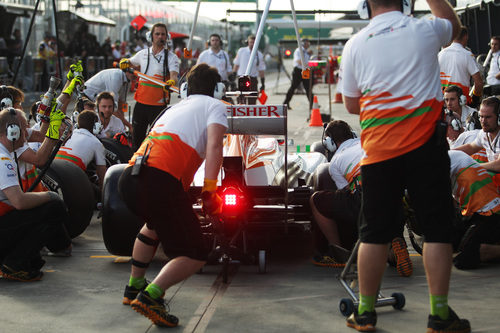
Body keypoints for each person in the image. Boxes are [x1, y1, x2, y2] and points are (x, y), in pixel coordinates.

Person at [338, 0, 468, 331]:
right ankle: (439, 314)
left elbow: (352, 104)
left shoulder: (355, 44)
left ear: (366, 6)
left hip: (379, 150)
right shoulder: (426, 29)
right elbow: (452, 23)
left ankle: (365, 312)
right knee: (437, 229)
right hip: (426, 147)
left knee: (374, 234)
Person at [118, 63, 227, 327]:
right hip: (159, 181)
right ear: (218, 89)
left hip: (130, 177)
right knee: (197, 252)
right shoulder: (216, 106)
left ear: (186, 88)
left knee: (154, 224)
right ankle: (152, 296)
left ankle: (134, 286)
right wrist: (210, 189)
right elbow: (215, 146)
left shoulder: (175, 107)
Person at [310, 120, 412, 277]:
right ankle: (395, 248)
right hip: (395, 196)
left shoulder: (335, 161)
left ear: (329, 143)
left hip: (366, 195)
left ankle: (338, 251)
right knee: (388, 239)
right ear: (352, 134)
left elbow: (347, 192)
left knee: (317, 200)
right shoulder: (369, 141)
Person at [0, 108, 71, 282]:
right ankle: (14, 264)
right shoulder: (3, 160)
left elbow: (41, 137)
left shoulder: (7, 150)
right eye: (25, 129)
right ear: (12, 132)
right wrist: (50, 196)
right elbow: (19, 202)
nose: (27, 135)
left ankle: (19, 257)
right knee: (54, 206)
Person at [119, 23, 180, 150]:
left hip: (159, 106)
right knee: (137, 138)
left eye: (163, 34)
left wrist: (172, 82)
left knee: (156, 140)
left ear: (166, 37)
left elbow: (174, 75)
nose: (160, 37)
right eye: (157, 34)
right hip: (141, 103)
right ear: (151, 37)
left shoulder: (171, 57)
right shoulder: (142, 54)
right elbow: (130, 62)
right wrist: (125, 62)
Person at [447, 150, 500, 270]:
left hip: (490, 213)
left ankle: (491, 248)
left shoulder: (447, 158)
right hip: (472, 214)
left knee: (464, 261)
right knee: (449, 243)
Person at [55, 110, 106, 190]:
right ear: (96, 126)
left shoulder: (72, 134)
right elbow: (101, 172)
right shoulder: (97, 143)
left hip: (54, 168)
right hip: (71, 176)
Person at [438, 26, 483, 106]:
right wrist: (475, 99)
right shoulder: (467, 54)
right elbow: (478, 82)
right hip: (462, 103)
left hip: (444, 101)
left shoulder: (440, 54)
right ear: (466, 37)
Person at [454, 97, 500, 171]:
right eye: (481, 116)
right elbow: (471, 147)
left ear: (499, 118)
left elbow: (498, 165)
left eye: (488, 117)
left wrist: (472, 166)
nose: (483, 121)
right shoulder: (484, 133)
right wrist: (448, 153)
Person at [233, 34, 266, 105]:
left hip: (252, 79)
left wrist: (263, 83)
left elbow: (261, 69)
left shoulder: (259, 54)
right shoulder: (241, 51)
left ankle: (251, 115)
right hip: (241, 78)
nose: (252, 44)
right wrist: (233, 77)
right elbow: (236, 64)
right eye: (251, 42)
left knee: (252, 100)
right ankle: (241, 114)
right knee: (241, 100)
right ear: (247, 42)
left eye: (254, 42)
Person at [283, 39, 313, 110]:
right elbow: (299, 61)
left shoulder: (306, 52)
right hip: (298, 70)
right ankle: (285, 103)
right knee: (293, 87)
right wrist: (309, 64)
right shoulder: (299, 50)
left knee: (308, 87)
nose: (309, 45)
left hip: (305, 70)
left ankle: (312, 104)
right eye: (307, 43)